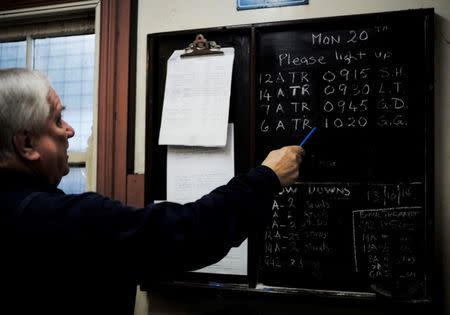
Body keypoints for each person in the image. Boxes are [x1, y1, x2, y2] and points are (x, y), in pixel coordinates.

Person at [0, 68, 304, 315]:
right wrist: (267, 178)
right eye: (56, 119)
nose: (70, 130)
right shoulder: (61, 220)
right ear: (26, 144)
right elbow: (188, 232)